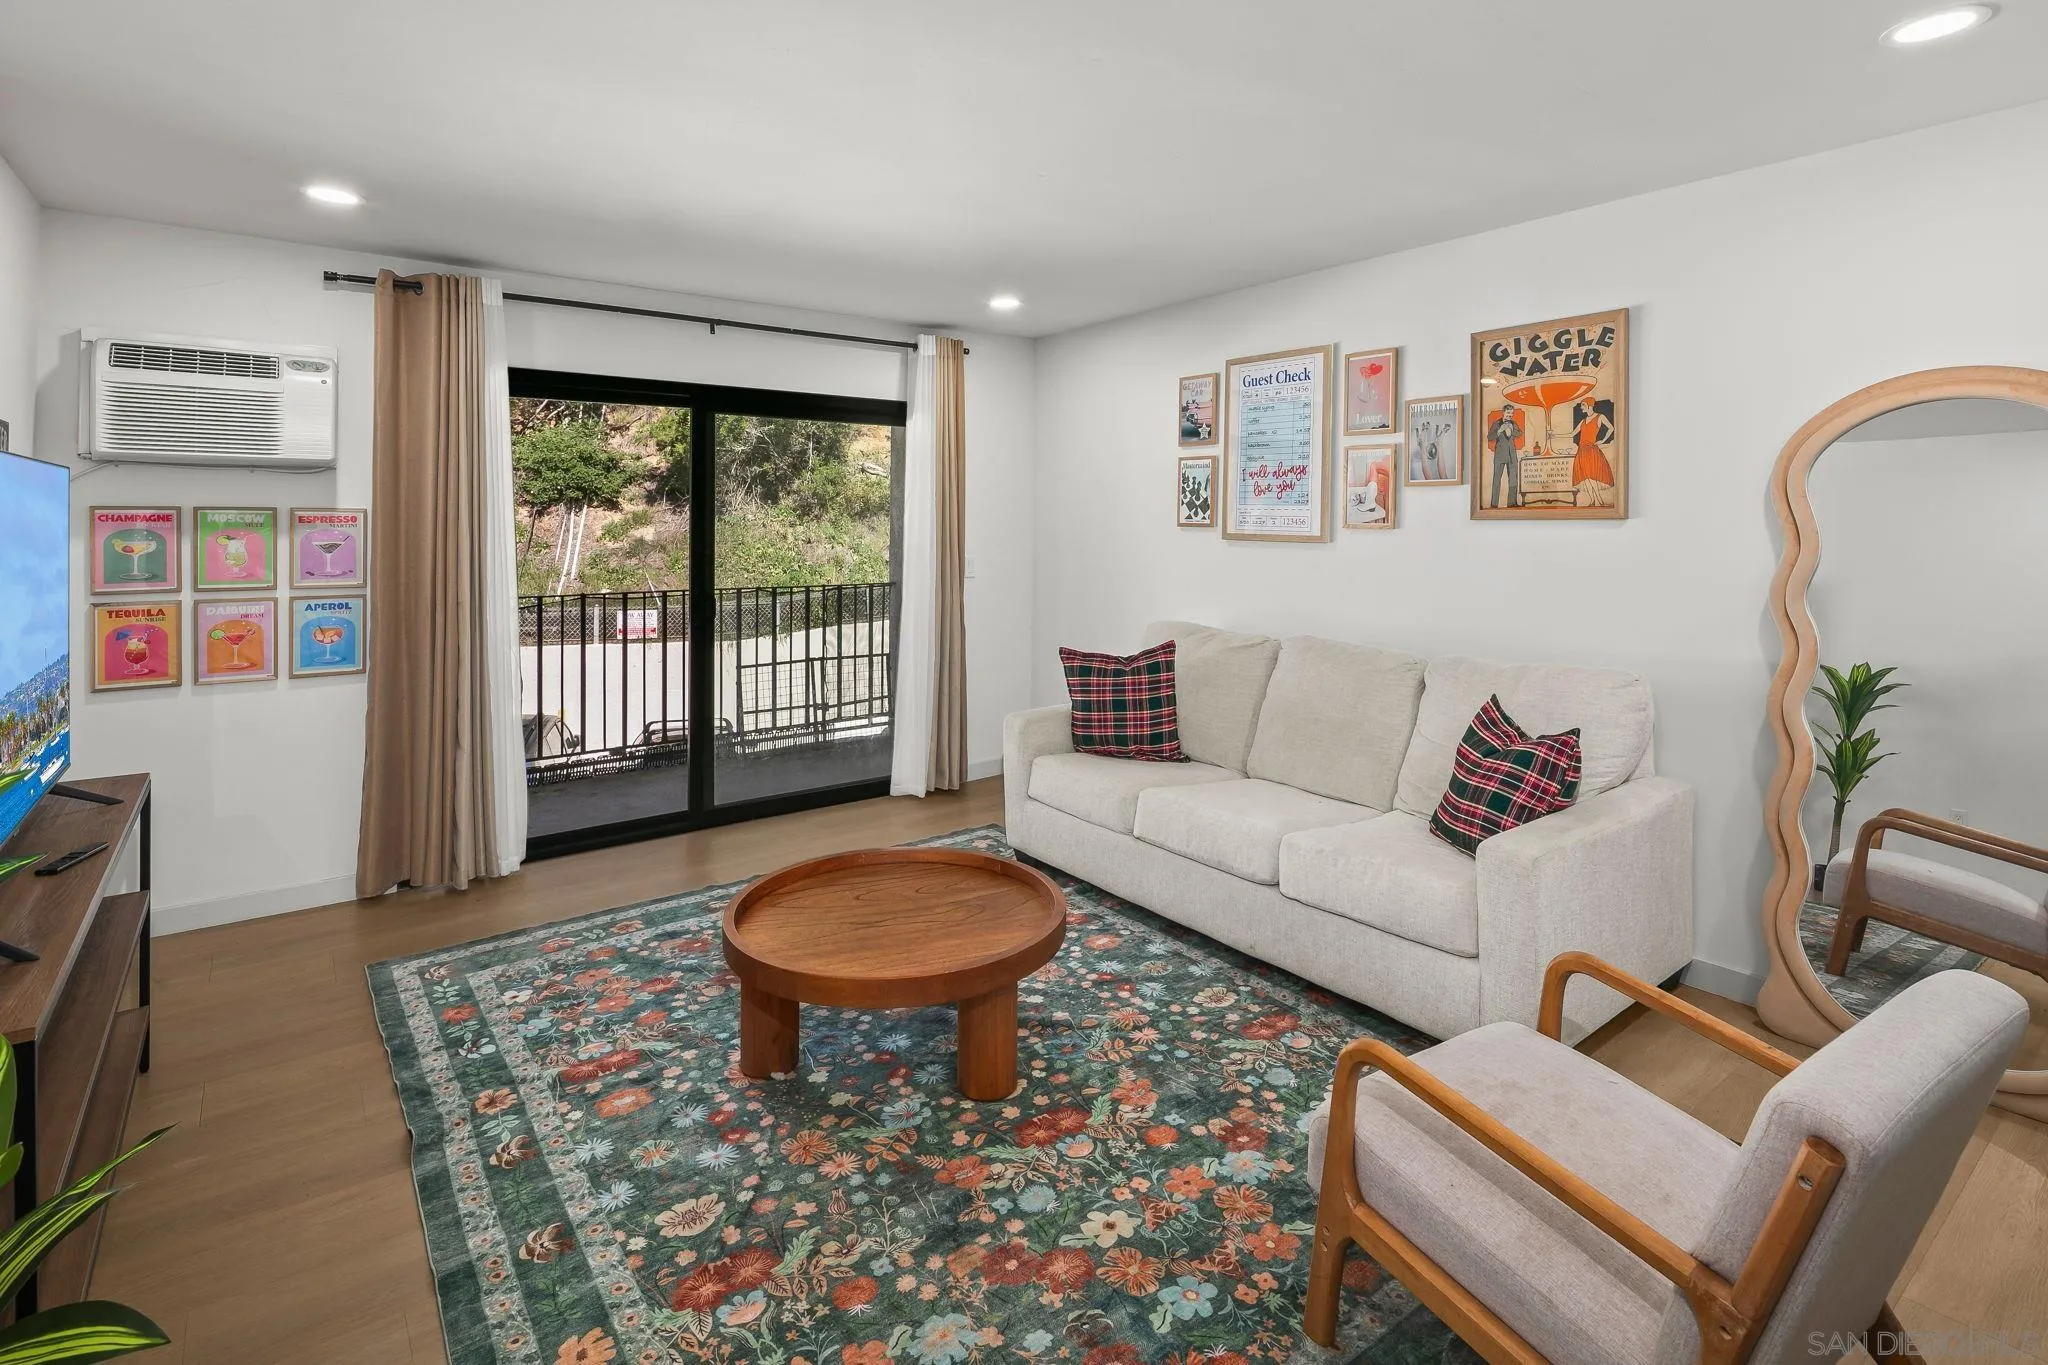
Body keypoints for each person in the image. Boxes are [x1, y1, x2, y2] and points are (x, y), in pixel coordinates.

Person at [1571, 398, 1616, 507]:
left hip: (1591, 450)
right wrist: (1555, 436)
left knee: (1591, 477)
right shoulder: (1583, 421)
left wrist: (1603, 440)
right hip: (1581, 451)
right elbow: (1572, 434)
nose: (1581, 407)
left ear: (1589, 406)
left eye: (1583, 405)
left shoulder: (1600, 417)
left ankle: (1599, 500)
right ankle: (1592, 500)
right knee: (1585, 478)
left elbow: (1611, 428)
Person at [1485, 403, 1525, 508]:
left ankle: (1512, 503)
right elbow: (1489, 437)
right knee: (1496, 479)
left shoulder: (1513, 423)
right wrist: (1499, 431)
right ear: (1503, 412)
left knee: (1513, 479)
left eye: (1511, 413)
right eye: (1508, 413)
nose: (1510, 415)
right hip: (1500, 455)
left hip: (1512, 455)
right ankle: (1494, 504)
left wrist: (1512, 429)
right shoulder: (1496, 423)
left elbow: (1520, 433)